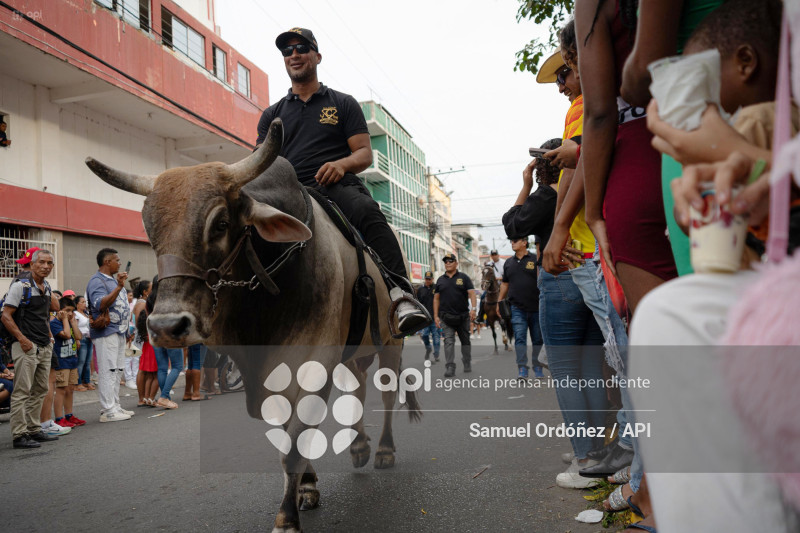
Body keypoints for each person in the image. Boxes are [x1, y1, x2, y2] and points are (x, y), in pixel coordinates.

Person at [255, 27, 429, 336]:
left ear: (317, 56)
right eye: (287, 51)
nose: (294, 54)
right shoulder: (272, 115)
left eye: (302, 48)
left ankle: (402, 297)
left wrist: (341, 164)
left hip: (335, 189)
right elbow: (260, 162)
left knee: (368, 212)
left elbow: (364, 154)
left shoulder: (343, 103)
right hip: (289, 194)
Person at [1, 249, 60, 448]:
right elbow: (6, 315)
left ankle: (34, 429)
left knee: (41, 388)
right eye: (41, 262)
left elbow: (49, 312)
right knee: (22, 390)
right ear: (32, 264)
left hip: (44, 345)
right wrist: (22, 339)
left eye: (49, 263)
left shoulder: (47, 286)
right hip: (26, 345)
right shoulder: (20, 285)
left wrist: (49, 336)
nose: (46, 266)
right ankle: (19, 435)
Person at [86, 248, 133, 423]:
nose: (120, 263)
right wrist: (120, 286)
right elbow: (100, 304)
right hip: (106, 332)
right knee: (108, 370)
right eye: (117, 260)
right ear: (107, 262)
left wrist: (126, 330)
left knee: (117, 370)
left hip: (119, 331)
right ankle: (108, 410)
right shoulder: (97, 281)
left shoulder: (112, 281)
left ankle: (115, 405)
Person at [497, 236, 544, 379]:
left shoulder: (536, 259)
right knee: (520, 339)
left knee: (537, 340)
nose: (512, 243)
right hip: (517, 308)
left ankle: (537, 366)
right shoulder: (508, 263)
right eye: (511, 241)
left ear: (525, 242)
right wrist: (499, 301)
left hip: (536, 307)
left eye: (515, 240)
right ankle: (522, 368)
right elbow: (505, 283)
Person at [432, 253, 476, 378]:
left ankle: (466, 361)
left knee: (465, 341)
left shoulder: (464, 277)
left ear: (456, 263)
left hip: (463, 317)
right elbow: (436, 299)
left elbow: (472, 294)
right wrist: (436, 316)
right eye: (445, 261)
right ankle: (450, 366)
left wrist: (473, 309)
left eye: (450, 261)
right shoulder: (440, 280)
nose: (448, 263)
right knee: (448, 342)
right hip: (446, 318)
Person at [50, 297, 85, 428]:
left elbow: (78, 336)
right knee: (61, 389)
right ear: (59, 310)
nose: (70, 313)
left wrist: (73, 323)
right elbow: (67, 335)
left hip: (72, 360)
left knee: (70, 389)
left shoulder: (70, 321)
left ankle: (69, 415)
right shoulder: (54, 323)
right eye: (67, 310)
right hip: (61, 361)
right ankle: (59, 418)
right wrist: (65, 319)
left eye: (72, 311)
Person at [135, 278, 160, 407]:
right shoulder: (142, 303)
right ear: (145, 292)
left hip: (146, 337)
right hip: (145, 337)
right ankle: (143, 397)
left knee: (149, 371)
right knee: (145, 370)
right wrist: (144, 334)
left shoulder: (145, 302)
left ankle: (147, 397)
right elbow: (139, 320)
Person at [416, 271, 440, 363]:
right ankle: (428, 348)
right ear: (424, 279)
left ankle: (436, 355)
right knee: (425, 335)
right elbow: (418, 303)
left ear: (433, 279)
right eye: (426, 279)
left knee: (436, 337)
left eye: (429, 279)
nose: (428, 280)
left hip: (435, 317)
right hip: (425, 318)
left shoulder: (437, 288)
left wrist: (439, 316)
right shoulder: (420, 289)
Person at [73, 296, 94, 392]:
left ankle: (87, 381)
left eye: (85, 302)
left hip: (89, 339)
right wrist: (77, 340)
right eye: (82, 302)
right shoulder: (76, 314)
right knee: (81, 361)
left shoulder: (86, 313)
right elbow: (75, 327)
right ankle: (78, 383)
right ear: (77, 304)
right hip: (82, 339)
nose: (85, 304)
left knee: (87, 362)